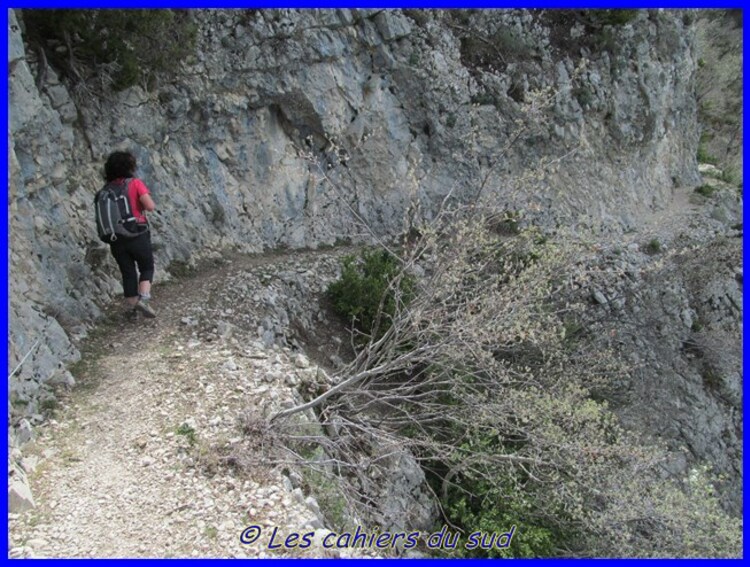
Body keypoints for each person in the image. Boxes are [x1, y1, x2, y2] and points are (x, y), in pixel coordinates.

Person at [103, 151, 157, 319]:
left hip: (116, 239)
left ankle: (132, 308)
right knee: (146, 267)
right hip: (137, 233)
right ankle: (144, 299)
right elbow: (149, 206)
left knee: (128, 272)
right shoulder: (135, 184)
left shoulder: (106, 190)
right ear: (130, 167)